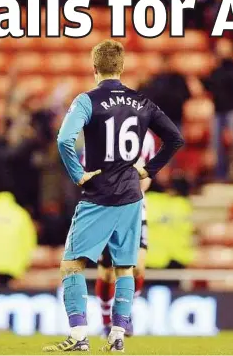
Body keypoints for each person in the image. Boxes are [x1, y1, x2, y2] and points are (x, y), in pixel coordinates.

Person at [43, 40, 184, 352]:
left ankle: (79, 337)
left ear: (94, 69)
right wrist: (149, 171)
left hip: (98, 195)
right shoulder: (143, 102)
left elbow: (64, 138)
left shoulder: (86, 100)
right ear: (122, 68)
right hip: (132, 197)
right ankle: (117, 336)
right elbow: (175, 138)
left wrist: (77, 174)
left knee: (71, 265)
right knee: (124, 268)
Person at [94, 130, 156, 337]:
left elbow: (149, 175)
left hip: (137, 209)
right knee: (109, 273)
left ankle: (125, 315)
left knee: (137, 267)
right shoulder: (101, 134)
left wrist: (138, 183)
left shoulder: (146, 138)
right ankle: (105, 321)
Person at [202, 38, 233, 182]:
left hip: (232, 111)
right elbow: (210, 86)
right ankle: (220, 174)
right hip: (217, 112)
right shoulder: (215, 70)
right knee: (217, 147)